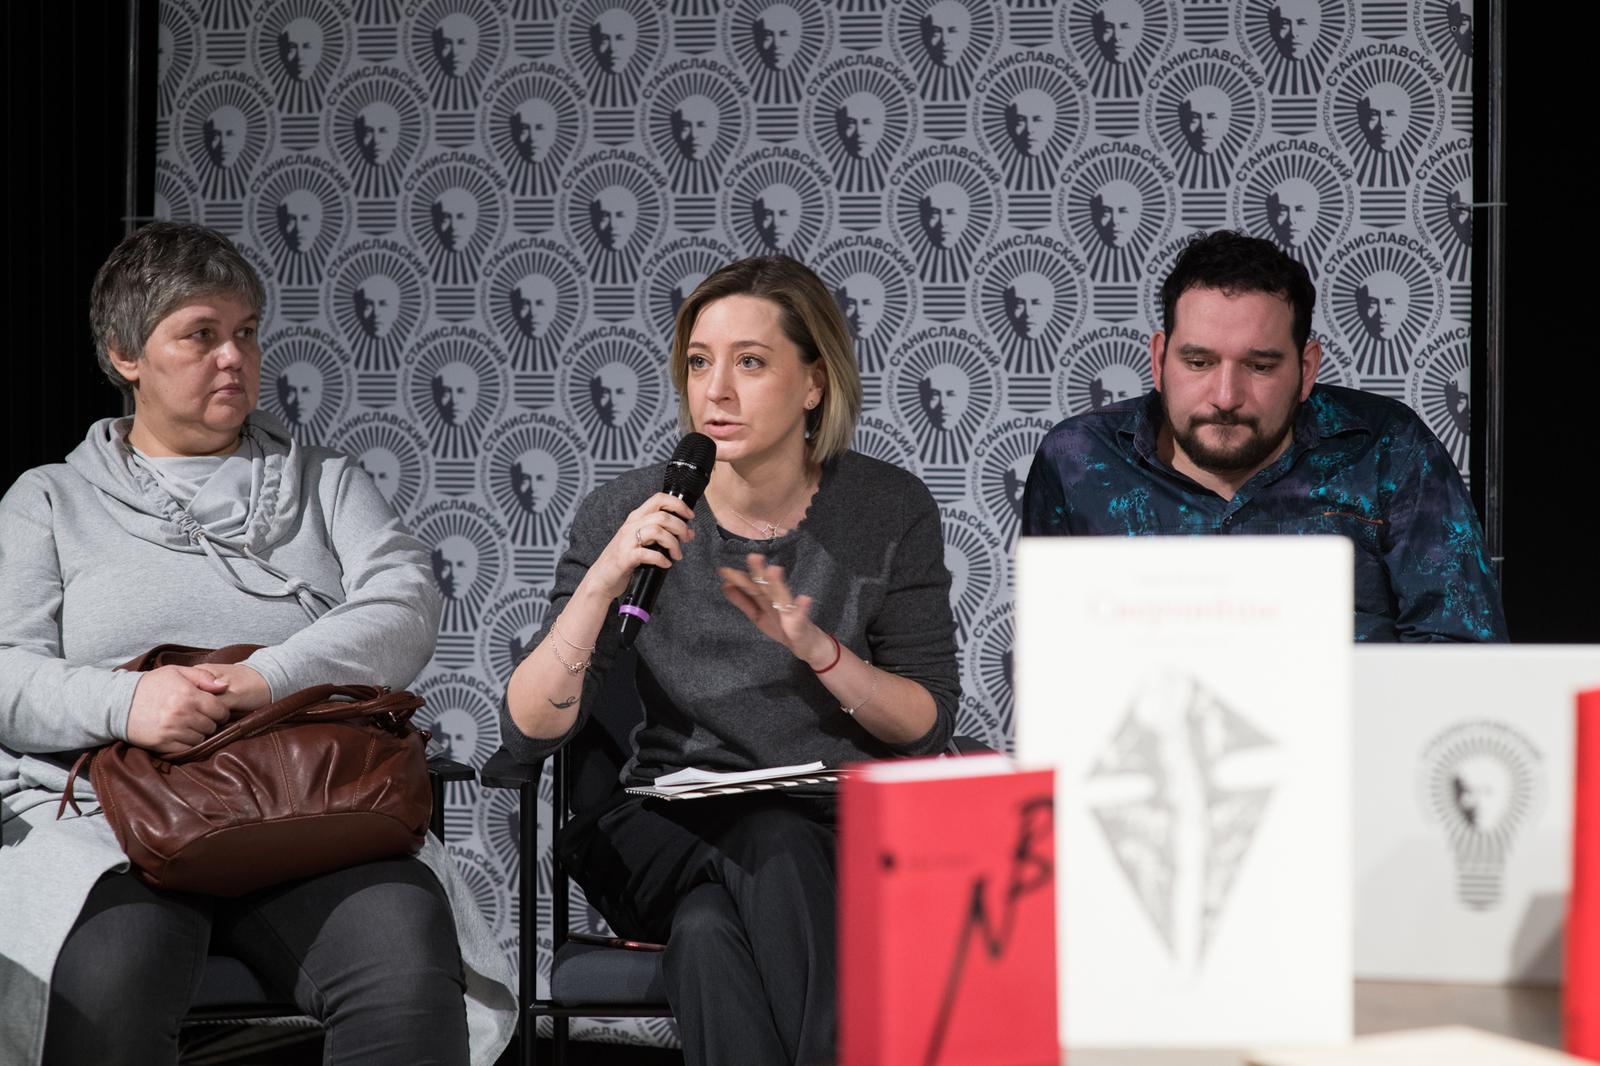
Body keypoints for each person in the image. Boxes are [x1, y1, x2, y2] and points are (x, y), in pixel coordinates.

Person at [0, 222, 514, 1065]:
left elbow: (405, 602)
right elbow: (6, 672)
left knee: (404, 966)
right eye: (201, 335)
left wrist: (267, 679)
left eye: (245, 332)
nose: (234, 357)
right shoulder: (49, 500)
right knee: (108, 979)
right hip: (109, 825)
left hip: (311, 812)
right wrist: (130, 702)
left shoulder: (327, 481)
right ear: (126, 355)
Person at [500, 254, 959, 1066]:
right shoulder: (628, 513)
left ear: (814, 383)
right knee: (770, 841)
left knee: (710, 933)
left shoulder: (887, 509)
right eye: (698, 363)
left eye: (750, 363)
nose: (715, 391)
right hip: (661, 830)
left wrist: (818, 650)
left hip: (840, 834)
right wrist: (602, 581)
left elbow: (925, 725)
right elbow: (530, 730)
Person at [1022, 229, 1507, 642]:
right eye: (1198, 362)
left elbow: (1460, 656)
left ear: (1306, 369)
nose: (1226, 397)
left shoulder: (1390, 449)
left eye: (1259, 366)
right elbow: (1054, 662)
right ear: (1159, 359)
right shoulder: (1077, 461)